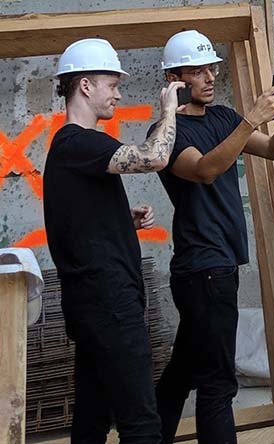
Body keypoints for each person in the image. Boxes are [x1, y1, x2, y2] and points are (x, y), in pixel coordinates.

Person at [151, 30, 274, 444]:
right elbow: (204, 170)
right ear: (173, 79)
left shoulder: (222, 118)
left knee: (183, 371)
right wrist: (252, 118)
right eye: (198, 71)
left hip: (218, 265)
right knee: (218, 383)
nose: (209, 77)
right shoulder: (165, 132)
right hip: (203, 268)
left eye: (212, 69)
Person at [43, 38, 184, 444]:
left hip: (92, 303)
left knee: (92, 419)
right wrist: (168, 111)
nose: (119, 94)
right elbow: (155, 157)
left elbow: (74, 221)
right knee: (142, 424)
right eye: (112, 84)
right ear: (86, 86)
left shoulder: (71, 148)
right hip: (109, 303)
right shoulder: (78, 141)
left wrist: (123, 223)